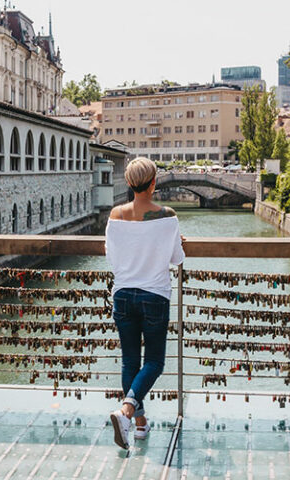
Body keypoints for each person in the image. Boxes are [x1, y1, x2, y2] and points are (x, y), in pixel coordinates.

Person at [105, 157, 185, 450]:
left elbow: (111, 257)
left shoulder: (116, 215)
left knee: (130, 362)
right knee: (154, 362)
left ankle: (138, 426)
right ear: (154, 183)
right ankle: (127, 412)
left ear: (128, 183)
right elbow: (177, 259)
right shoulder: (166, 215)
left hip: (123, 295)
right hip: (154, 296)